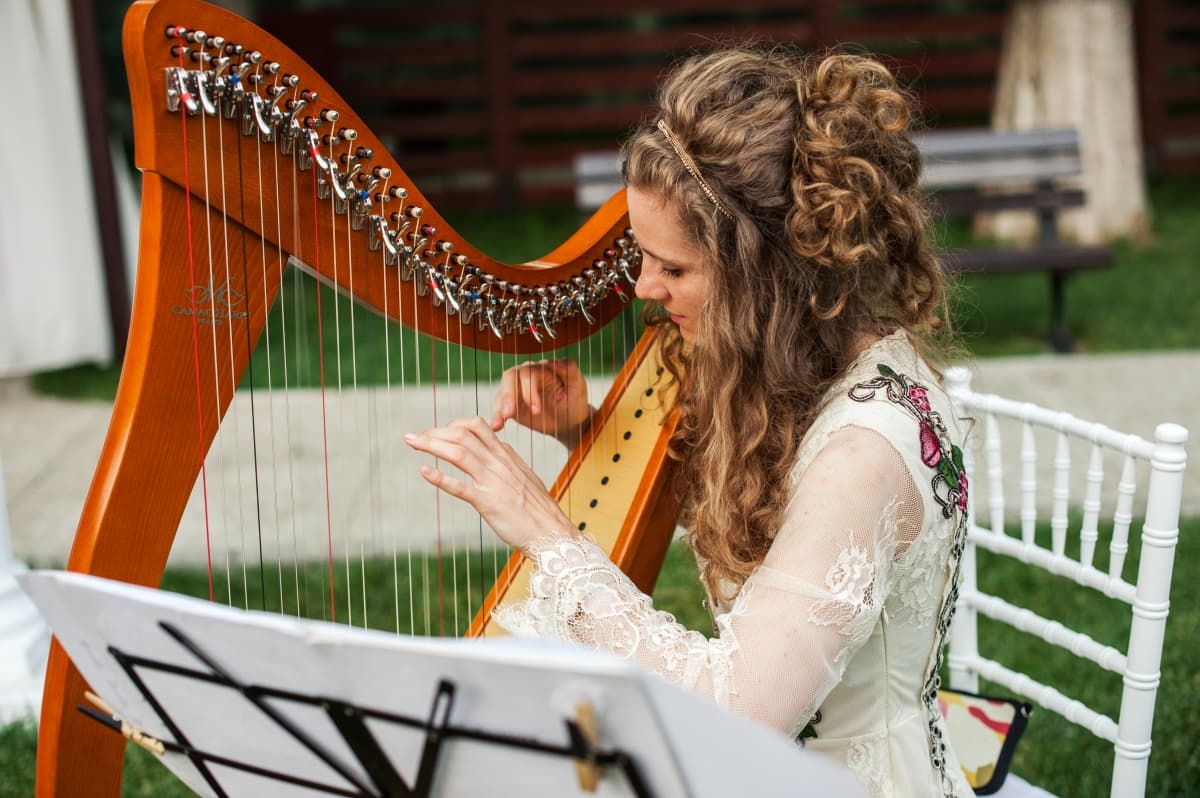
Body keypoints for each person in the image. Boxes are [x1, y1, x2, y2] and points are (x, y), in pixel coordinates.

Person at [405, 47, 973, 797]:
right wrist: (584, 433)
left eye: (672, 269)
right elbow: (773, 530)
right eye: (643, 258)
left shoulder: (866, 450)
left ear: (767, 276)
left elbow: (734, 707)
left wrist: (546, 531)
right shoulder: (794, 367)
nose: (644, 287)